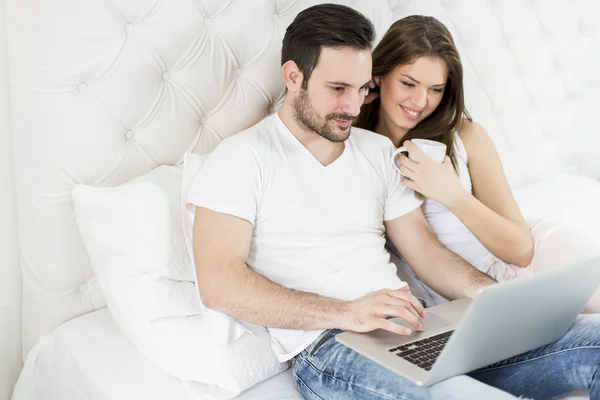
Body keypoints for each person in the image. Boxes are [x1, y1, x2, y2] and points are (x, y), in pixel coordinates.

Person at [188, 5, 600, 400]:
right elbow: (220, 284)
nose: (352, 106)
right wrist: (347, 313)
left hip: (418, 328)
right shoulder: (242, 158)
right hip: (332, 348)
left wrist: (489, 298)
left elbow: (426, 253)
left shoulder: (376, 151)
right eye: (337, 89)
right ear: (294, 76)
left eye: (361, 88)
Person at [355, 15, 600, 313]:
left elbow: (521, 249)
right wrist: (353, 98)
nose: (420, 101)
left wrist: (452, 194)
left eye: (436, 89)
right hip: (463, 289)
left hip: (538, 259)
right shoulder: (357, 147)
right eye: (409, 83)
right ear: (378, 75)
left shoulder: (466, 135)